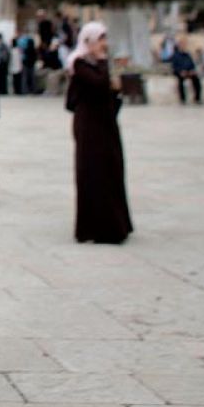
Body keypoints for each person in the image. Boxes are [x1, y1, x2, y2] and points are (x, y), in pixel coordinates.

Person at [65, 22, 134, 244]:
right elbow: (98, 83)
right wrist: (104, 62)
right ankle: (95, 228)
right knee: (93, 172)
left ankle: (116, 224)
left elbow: (112, 89)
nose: (104, 44)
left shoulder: (99, 64)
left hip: (106, 124)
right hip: (89, 127)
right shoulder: (80, 63)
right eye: (100, 39)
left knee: (111, 169)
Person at [170, 37, 201, 104]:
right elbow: (174, 66)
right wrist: (180, 71)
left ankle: (197, 98)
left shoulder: (187, 55)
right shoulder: (175, 55)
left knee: (196, 79)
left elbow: (192, 64)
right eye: (182, 44)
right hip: (179, 72)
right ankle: (182, 99)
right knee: (180, 81)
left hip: (188, 72)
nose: (183, 46)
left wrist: (192, 70)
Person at [17, 31, 37, 95]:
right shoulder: (33, 50)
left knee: (25, 78)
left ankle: (24, 91)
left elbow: (23, 57)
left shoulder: (25, 50)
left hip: (26, 64)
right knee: (32, 78)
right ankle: (33, 90)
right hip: (31, 64)